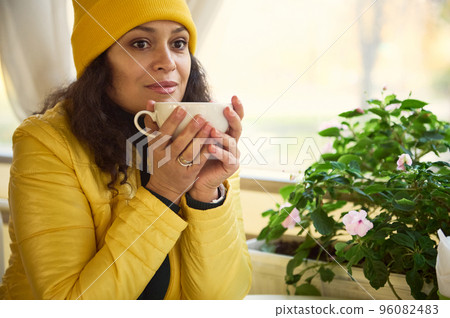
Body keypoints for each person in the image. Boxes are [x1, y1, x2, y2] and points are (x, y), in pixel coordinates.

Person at [0, 0, 252, 300]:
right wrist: (164, 191)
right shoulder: (44, 143)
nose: (168, 62)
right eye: (141, 43)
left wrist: (206, 195)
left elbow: (222, 300)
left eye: (179, 43)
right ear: (98, 62)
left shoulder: (204, 139)